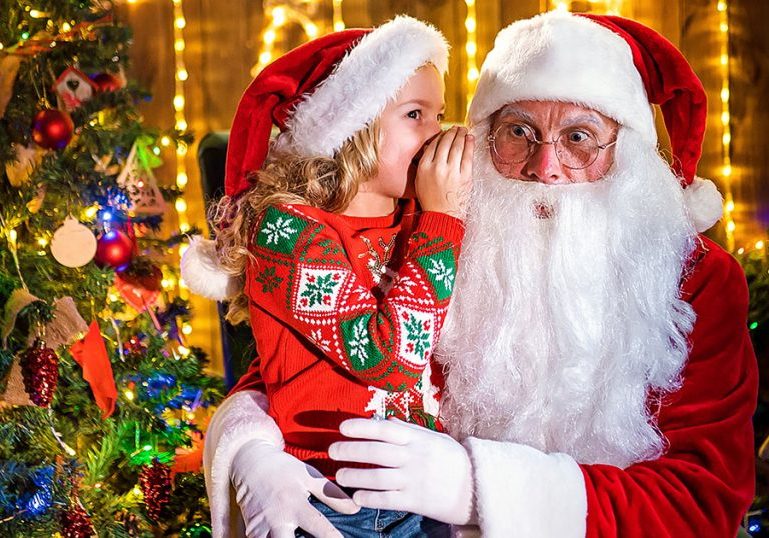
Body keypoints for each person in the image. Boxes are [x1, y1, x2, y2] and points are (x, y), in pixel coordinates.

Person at [191, 11, 758, 538]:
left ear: (626, 151)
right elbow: (300, 364)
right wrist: (250, 452)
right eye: (517, 133)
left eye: (579, 137)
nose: (545, 167)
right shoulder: (446, 236)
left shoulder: (693, 280)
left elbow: (700, 501)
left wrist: (476, 487)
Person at [182, 16, 473, 537]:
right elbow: (384, 359)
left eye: (441, 115)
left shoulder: (417, 217)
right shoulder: (286, 234)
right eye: (416, 115)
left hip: (426, 491)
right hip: (332, 500)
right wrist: (443, 221)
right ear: (351, 128)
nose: (439, 135)